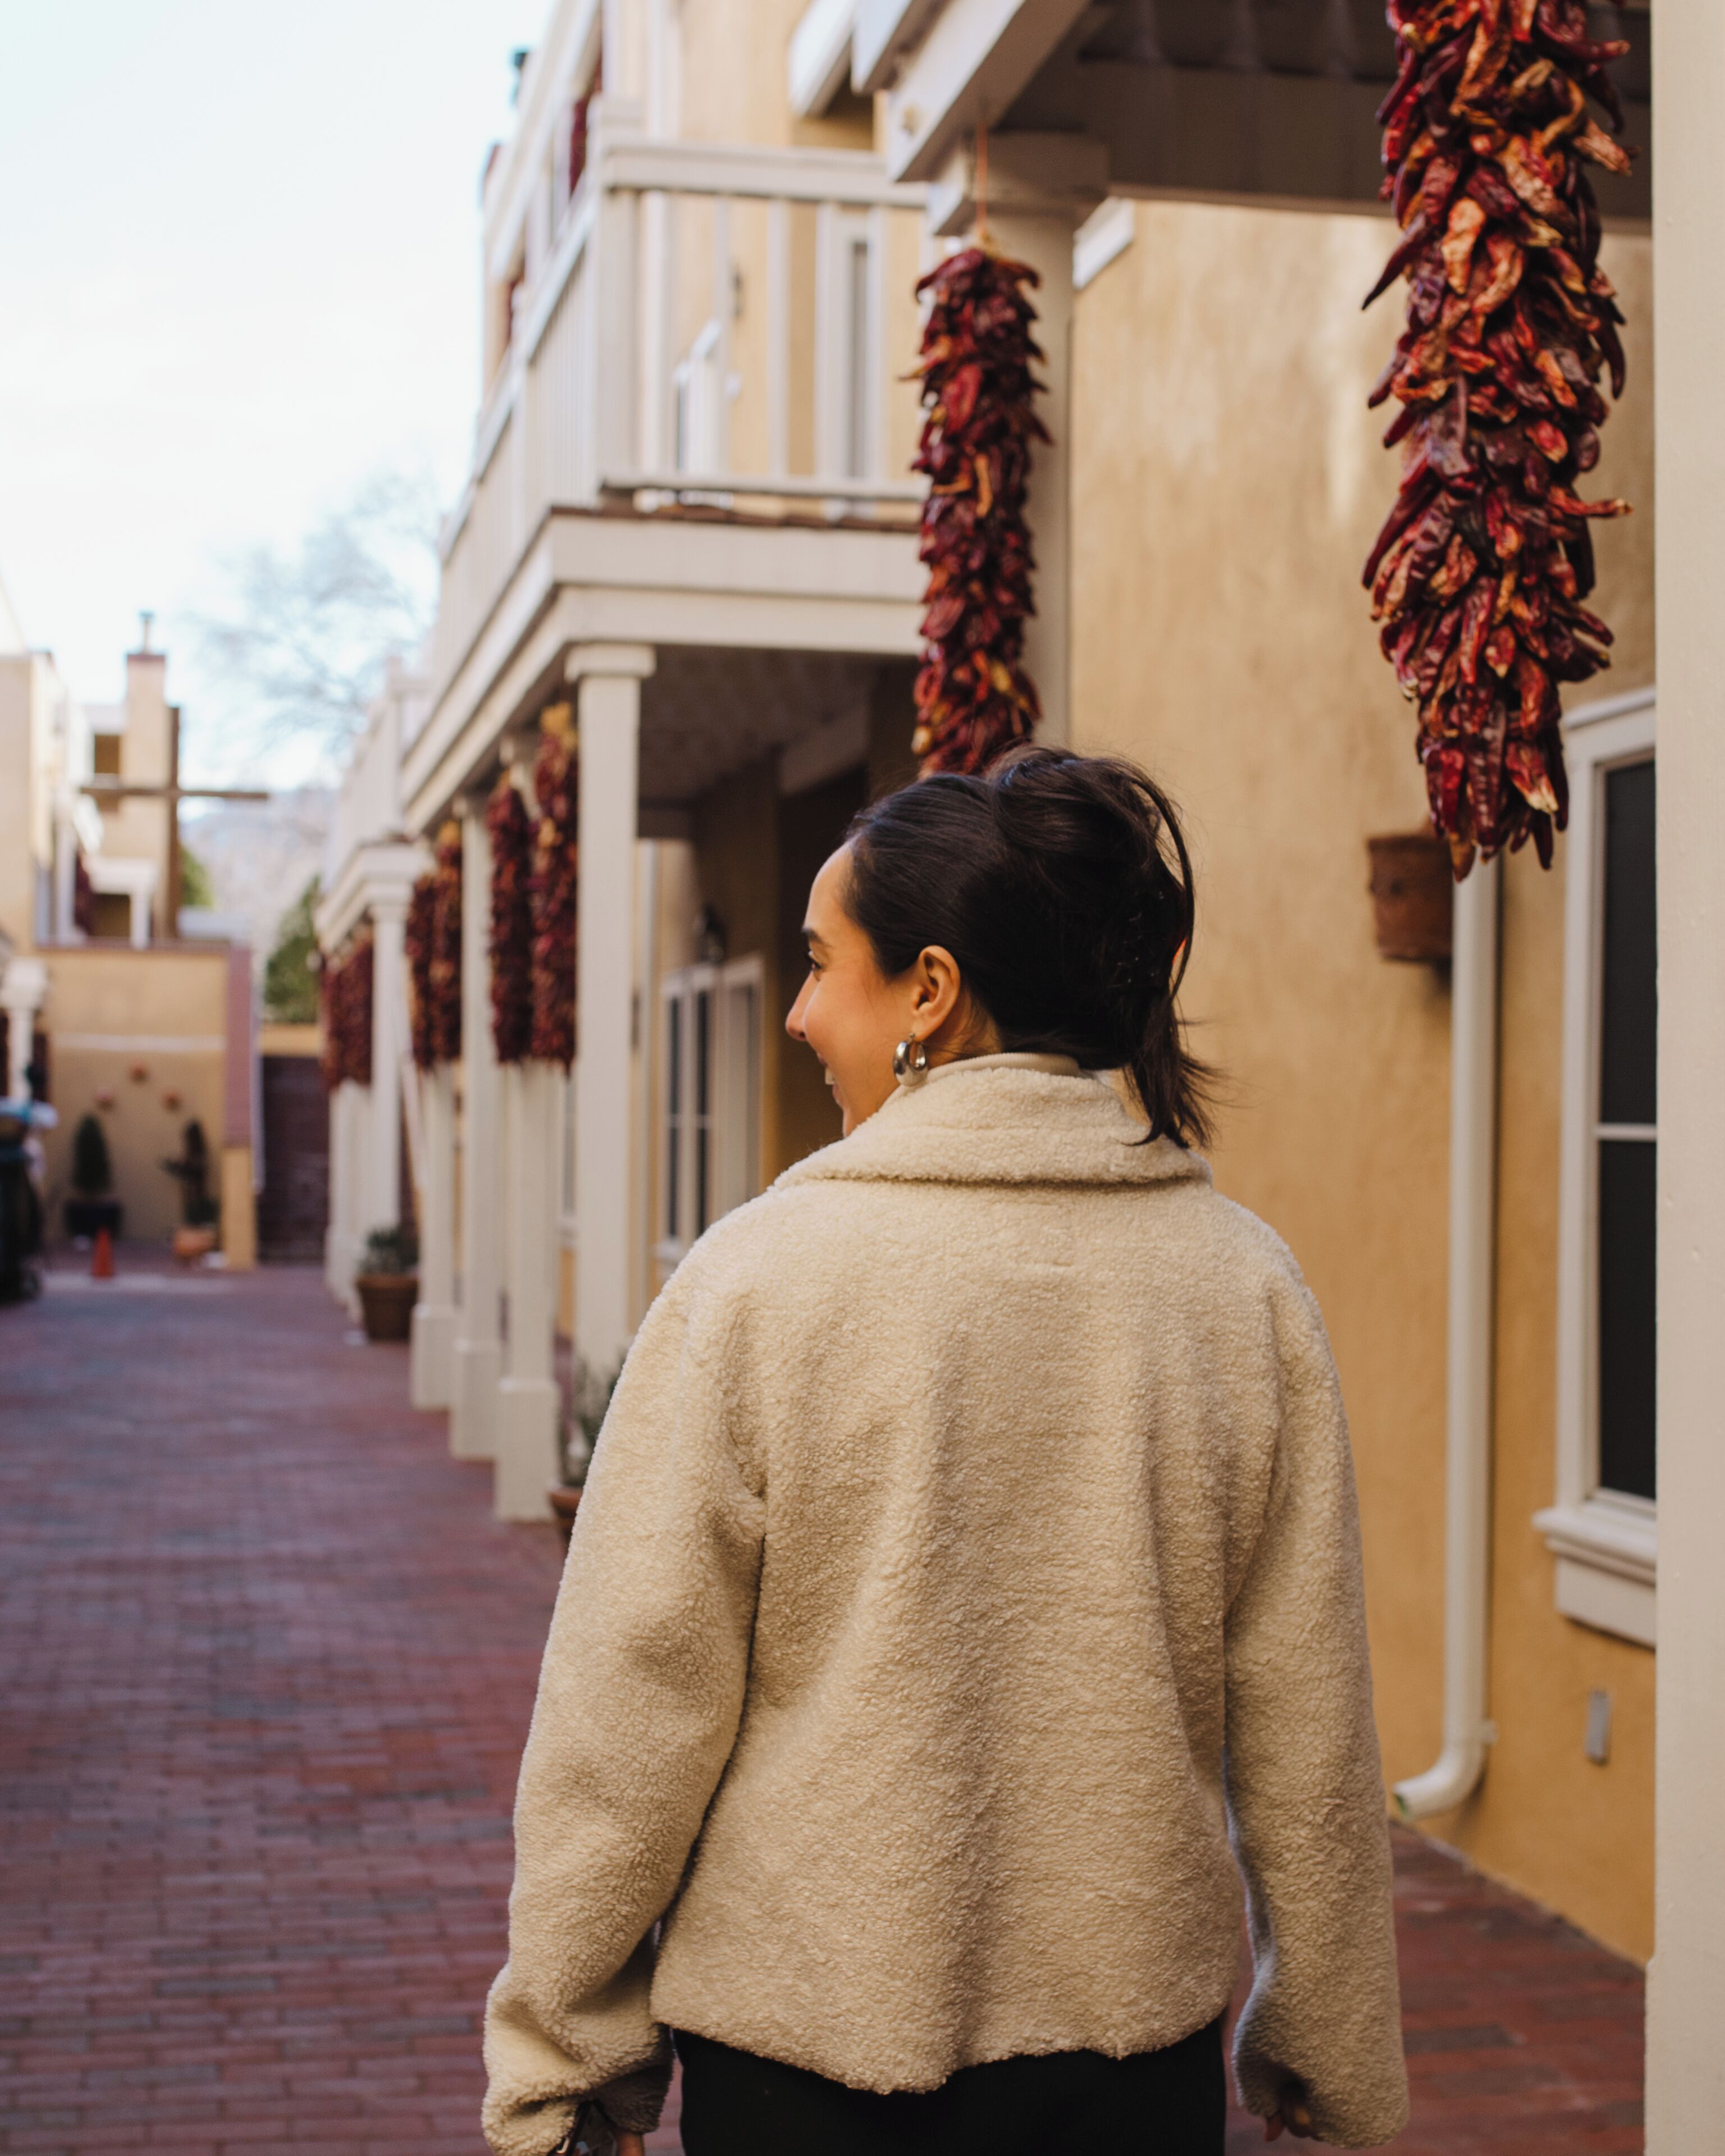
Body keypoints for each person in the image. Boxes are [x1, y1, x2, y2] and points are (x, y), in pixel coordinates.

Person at [483, 749, 1409, 2156]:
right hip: (1127, 2073)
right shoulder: (1242, 1285)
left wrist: (567, 2053)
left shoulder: (760, 1280)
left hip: (800, 2067)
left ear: (930, 989)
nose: (797, 1012)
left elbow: (629, 1708)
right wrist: (1326, 2031)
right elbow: (1307, 1714)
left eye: (818, 964)